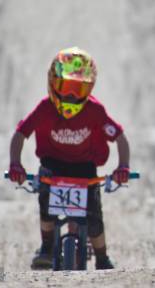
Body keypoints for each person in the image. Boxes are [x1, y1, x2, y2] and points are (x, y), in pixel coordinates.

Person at [7, 46, 131, 270]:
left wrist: (123, 166)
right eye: (66, 87)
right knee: (47, 208)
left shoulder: (95, 110)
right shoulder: (44, 108)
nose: (72, 97)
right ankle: (46, 247)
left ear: (89, 88)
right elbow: (20, 134)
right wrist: (15, 163)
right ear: (53, 83)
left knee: (94, 219)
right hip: (52, 166)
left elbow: (120, 137)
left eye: (79, 89)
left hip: (85, 167)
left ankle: (102, 258)